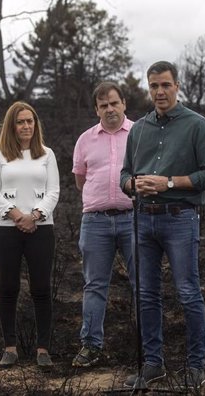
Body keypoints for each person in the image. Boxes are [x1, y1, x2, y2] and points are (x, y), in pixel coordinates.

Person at [120, 61, 205, 389]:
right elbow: (124, 175)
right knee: (146, 294)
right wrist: (133, 185)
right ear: (148, 88)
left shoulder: (197, 125)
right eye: (153, 86)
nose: (159, 92)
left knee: (188, 292)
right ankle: (153, 364)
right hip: (143, 219)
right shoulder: (138, 130)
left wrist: (168, 184)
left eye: (165, 85)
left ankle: (196, 366)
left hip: (180, 219)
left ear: (177, 86)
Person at [0, 101, 60, 369]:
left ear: (36, 124)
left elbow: (54, 191)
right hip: (5, 231)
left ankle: (43, 350)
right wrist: (16, 215)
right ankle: (10, 349)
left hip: (41, 229)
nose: (26, 126)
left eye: (30, 121)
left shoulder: (47, 154)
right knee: (8, 288)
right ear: (11, 126)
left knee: (41, 288)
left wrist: (35, 216)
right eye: (20, 122)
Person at [71, 81, 136, 367]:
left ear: (124, 103)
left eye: (114, 103)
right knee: (95, 285)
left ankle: (146, 345)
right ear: (96, 109)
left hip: (135, 220)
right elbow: (80, 180)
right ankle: (91, 346)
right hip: (95, 222)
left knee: (143, 284)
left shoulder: (141, 134)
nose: (109, 109)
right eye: (103, 105)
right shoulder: (85, 139)